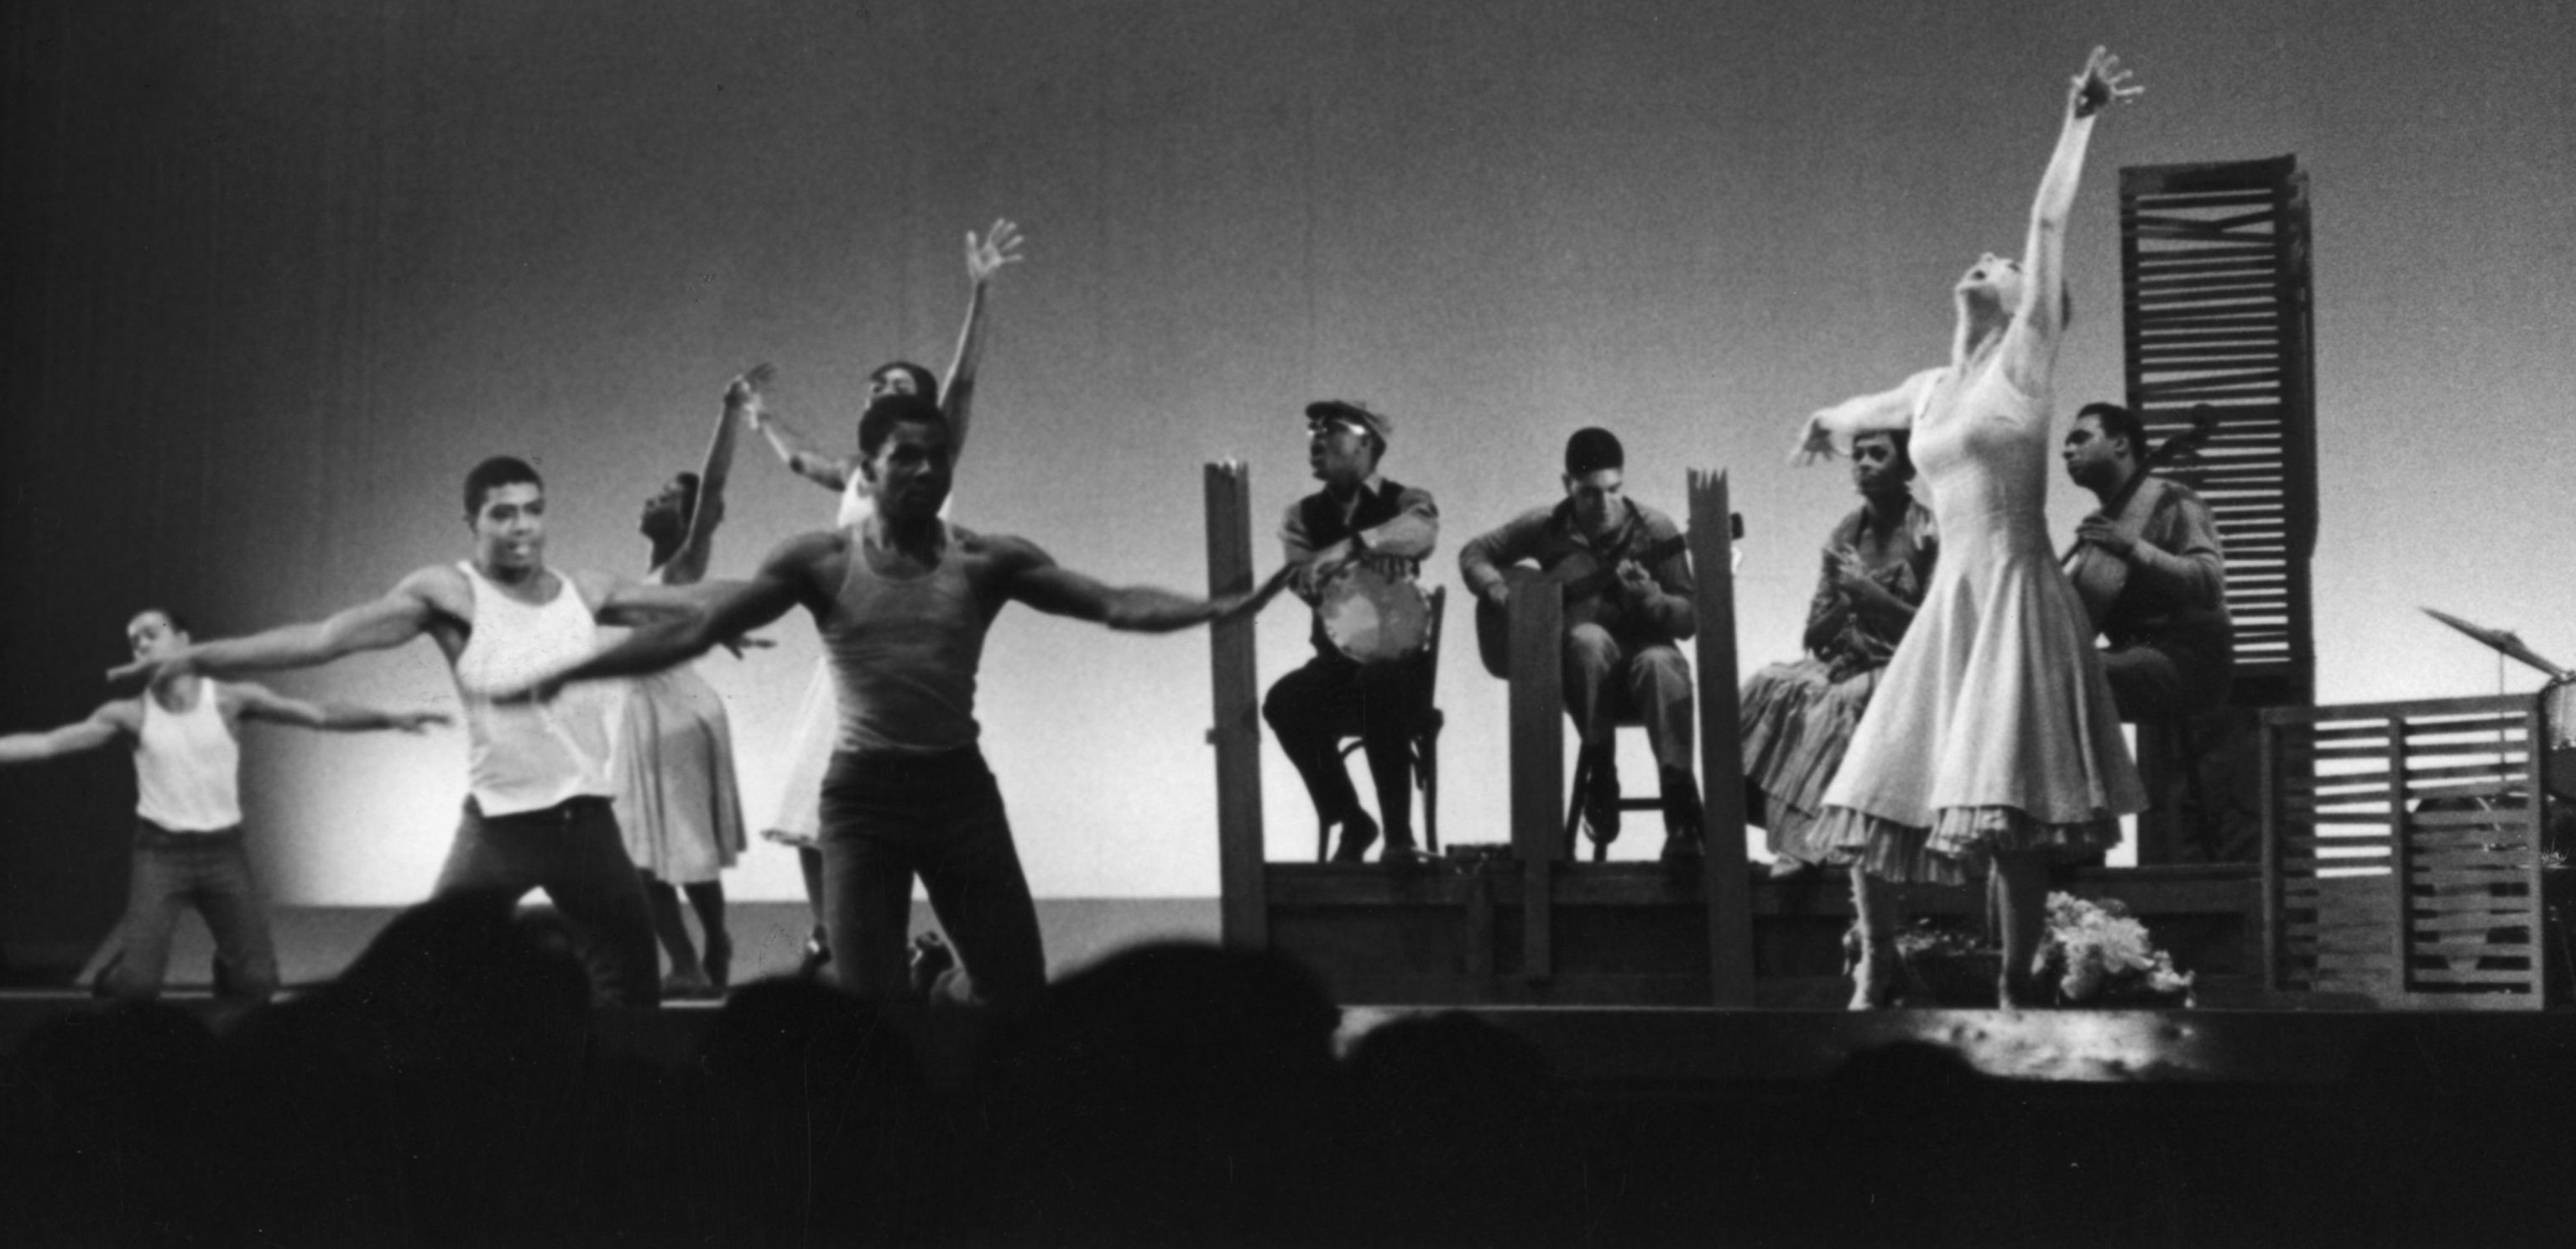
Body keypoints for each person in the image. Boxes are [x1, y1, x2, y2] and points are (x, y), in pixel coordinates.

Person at [505, 393, 1285, 1007]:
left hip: (958, 795)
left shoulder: (986, 559)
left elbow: (1114, 603)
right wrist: (578, 666)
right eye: (903, 457)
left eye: (936, 457)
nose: (924, 470)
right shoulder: (820, 561)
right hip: (863, 799)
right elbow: (699, 630)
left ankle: (942, 985)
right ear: (866, 471)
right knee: (863, 1002)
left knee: (1016, 991)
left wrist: (1214, 608)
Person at [1793, 47, 2147, 1009]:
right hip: (1955, 600)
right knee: (1874, 780)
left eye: (2000, 266)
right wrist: (1822, 421)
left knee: (2010, 804)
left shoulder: (2022, 369)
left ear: (2025, 300)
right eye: (1984, 260)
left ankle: (2017, 976)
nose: (1984, 260)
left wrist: (2079, 119)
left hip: (2016, 594)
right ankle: (1879, 956)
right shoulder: (1935, 389)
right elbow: (1868, 404)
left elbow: (2044, 222)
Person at [108, 458, 727, 1007]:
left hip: (588, 826)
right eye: (503, 514)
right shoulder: (448, 591)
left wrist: (763, 600)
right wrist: (195, 658)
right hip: (499, 829)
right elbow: (324, 638)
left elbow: (701, 598)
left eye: (533, 511)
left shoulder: (586, 589)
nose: (522, 527)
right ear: (472, 521)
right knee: (425, 973)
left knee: (632, 993)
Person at [0, 607, 448, 1014]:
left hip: (222, 852)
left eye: (153, 631)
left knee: (257, 985)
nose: (142, 641)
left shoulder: (233, 699)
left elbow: (318, 714)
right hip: (160, 855)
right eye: (134, 639)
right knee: (138, 990)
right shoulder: (128, 713)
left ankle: (231, 962)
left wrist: (388, 716)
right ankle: (120, 972)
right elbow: (43, 744)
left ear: (184, 641)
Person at [755, 218, 1020, 974]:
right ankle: (829, 933)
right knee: (810, 803)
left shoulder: (930, 459)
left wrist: (979, 292)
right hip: (844, 660)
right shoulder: (856, 475)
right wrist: (761, 418)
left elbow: (962, 383)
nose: (882, 393)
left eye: (899, 388)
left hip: (905, 660)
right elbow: (801, 457)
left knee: (899, 811)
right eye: (876, 388)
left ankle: (904, 947)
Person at [1459, 427, 1704, 860]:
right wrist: (1499, 590)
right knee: (1588, 640)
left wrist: (1651, 598)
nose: (1604, 504)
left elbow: (1689, 619)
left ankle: (1680, 804)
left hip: (1649, 664)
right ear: (1567, 486)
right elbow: (1474, 553)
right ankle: (1600, 771)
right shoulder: (1545, 526)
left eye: (1614, 490)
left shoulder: (1656, 529)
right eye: (1590, 494)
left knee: (1661, 663)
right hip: (1583, 671)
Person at [616, 367, 766, 997]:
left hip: (673, 716)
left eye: (666, 496)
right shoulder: (654, 580)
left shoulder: (682, 563)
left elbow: (715, 490)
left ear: (690, 518)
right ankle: (698, 954)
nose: (652, 498)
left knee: (668, 849)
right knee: (650, 850)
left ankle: (695, 957)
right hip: (650, 715)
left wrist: (729, 411)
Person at [1739, 429, 1936, 876]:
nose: (1864, 463)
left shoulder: (1929, 532)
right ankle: (1776, 830)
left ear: (1905, 468)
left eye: (1878, 455)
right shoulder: (1846, 532)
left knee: (1834, 704)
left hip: (1907, 666)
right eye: (1858, 455)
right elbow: (1814, 634)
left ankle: (1806, 845)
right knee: (1766, 686)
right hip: (1846, 660)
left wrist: (1874, 598)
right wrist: (1848, 603)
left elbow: (1941, 631)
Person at [1260, 400, 1442, 866]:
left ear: (1368, 443)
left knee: (1379, 684)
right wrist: (1366, 562)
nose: (1317, 439)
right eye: (1313, 431)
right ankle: (1350, 818)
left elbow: (1421, 533)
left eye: (1333, 429)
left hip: (1399, 667)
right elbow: (1302, 579)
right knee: (1284, 702)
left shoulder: (1406, 499)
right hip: (1336, 665)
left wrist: (1359, 544)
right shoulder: (1300, 515)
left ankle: (1399, 839)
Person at [2059, 402, 2233, 722]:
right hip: (2132, 659)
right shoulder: (2099, 529)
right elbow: (2072, 624)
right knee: (2032, 676)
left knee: (2062, 677)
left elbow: (2209, 583)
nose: (2067, 451)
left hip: (2189, 665)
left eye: (2080, 438)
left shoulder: (2173, 499)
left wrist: (2131, 548)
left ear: (2121, 444)